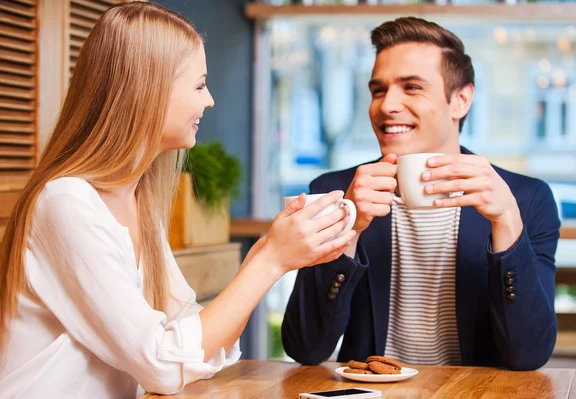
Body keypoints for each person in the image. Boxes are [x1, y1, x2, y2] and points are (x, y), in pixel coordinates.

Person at [0, 3, 356, 398]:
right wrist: (271, 260)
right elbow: (163, 365)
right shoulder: (66, 203)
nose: (210, 101)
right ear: (146, 90)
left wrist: (268, 252)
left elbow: (187, 331)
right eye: (200, 85)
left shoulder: (136, 201)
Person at [282, 17, 560, 371]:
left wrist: (506, 223)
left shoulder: (525, 199)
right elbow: (305, 347)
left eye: (411, 87)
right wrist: (349, 228)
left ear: (460, 100)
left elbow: (529, 355)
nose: (386, 106)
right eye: (378, 90)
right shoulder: (333, 192)